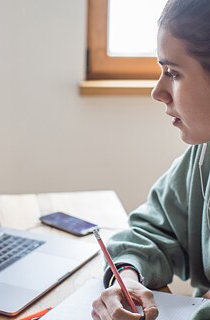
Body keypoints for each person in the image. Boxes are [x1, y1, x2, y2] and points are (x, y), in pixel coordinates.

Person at [91, 0, 210, 319]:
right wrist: (127, 277)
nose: (158, 91)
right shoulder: (203, 154)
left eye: (173, 72)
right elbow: (151, 230)